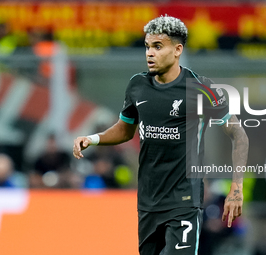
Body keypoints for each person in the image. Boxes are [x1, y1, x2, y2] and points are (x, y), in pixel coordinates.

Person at [73, 15, 249, 255]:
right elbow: (125, 129)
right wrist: (93, 139)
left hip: (184, 201)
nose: (149, 53)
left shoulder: (201, 89)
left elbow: (239, 136)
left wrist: (236, 189)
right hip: (148, 201)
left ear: (177, 50)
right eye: (147, 46)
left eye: (157, 46)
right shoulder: (137, 85)